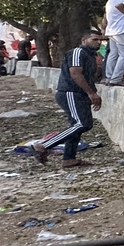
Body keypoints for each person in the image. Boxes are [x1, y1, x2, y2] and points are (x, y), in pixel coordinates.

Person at [30, 30, 104, 169]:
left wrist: (93, 93)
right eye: (95, 39)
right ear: (84, 40)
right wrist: (91, 93)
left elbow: (89, 77)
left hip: (80, 94)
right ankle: (43, 146)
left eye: (100, 40)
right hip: (71, 92)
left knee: (77, 126)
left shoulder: (91, 56)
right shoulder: (77, 52)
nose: (99, 42)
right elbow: (76, 74)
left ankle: (69, 159)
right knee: (83, 124)